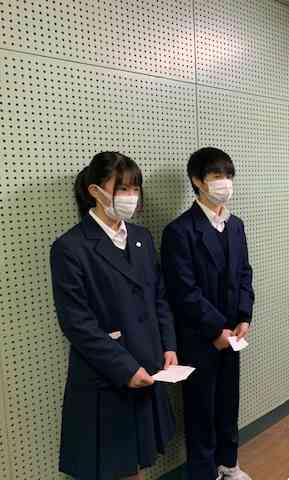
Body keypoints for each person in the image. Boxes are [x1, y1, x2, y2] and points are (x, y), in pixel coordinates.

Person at [50, 152, 178, 480]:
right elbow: (76, 323)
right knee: (117, 469)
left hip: (149, 365)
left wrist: (169, 346)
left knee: (138, 464)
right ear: (95, 191)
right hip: (107, 375)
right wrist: (125, 368)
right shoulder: (70, 247)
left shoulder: (141, 237)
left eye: (135, 188)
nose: (130, 196)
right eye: (122, 188)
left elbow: (159, 298)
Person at [161, 147, 255, 480]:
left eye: (228, 176)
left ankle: (229, 463)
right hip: (200, 336)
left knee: (229, 402)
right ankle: (203, 473)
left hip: (233, 334)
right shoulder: (179, 231)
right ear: (197, 181)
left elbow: (244, 274)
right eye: (216, 176)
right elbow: (183, 290)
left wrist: (244, 317)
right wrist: (216, 329)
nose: (224, 183)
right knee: (201, 409)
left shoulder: (236, 225)